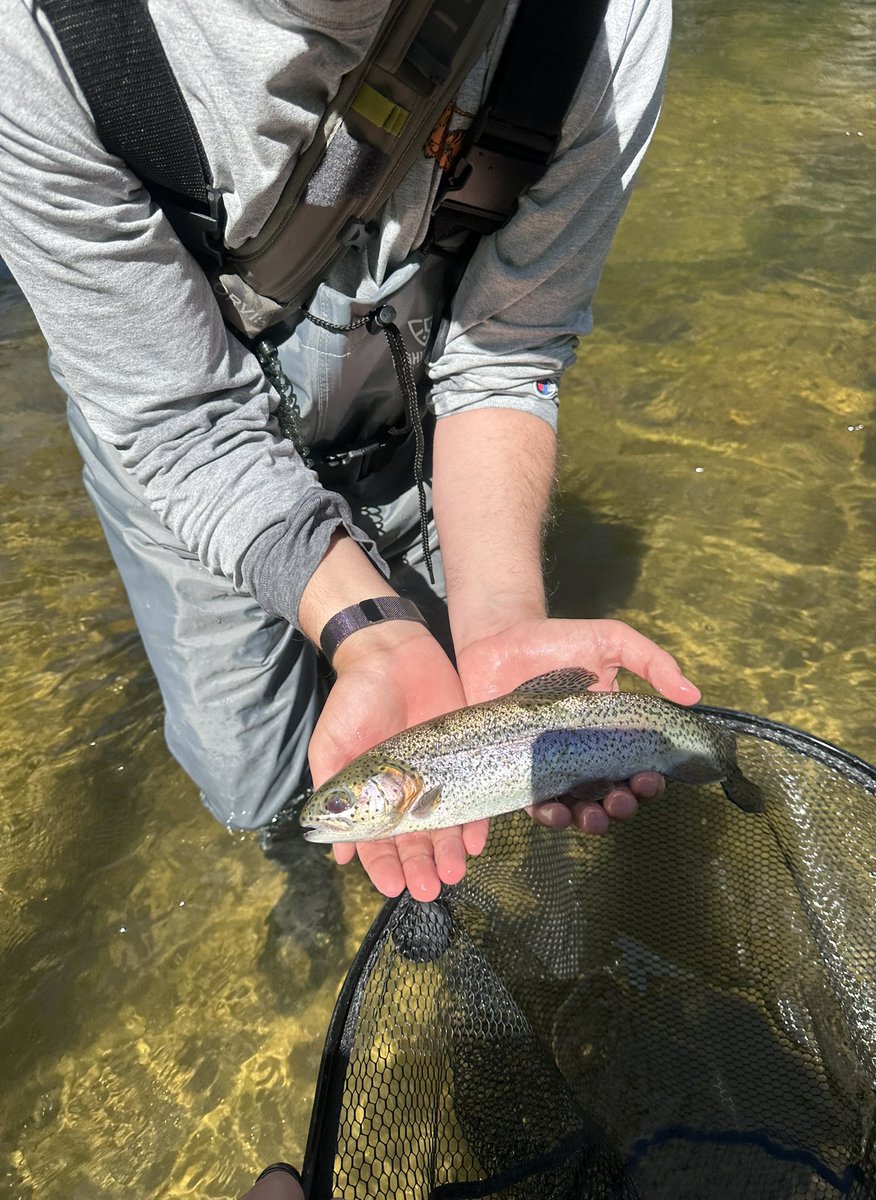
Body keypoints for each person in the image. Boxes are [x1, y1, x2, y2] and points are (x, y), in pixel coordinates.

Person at [0, 0, 700, 902]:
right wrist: (364, 627)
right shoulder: (41, 38)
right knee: (249, 784)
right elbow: (178, 420)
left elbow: (504, 351)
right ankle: (297, 883)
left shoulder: (604, 20)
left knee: (464, 681)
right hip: (180, 447)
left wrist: (503, 622)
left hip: (418, 410)